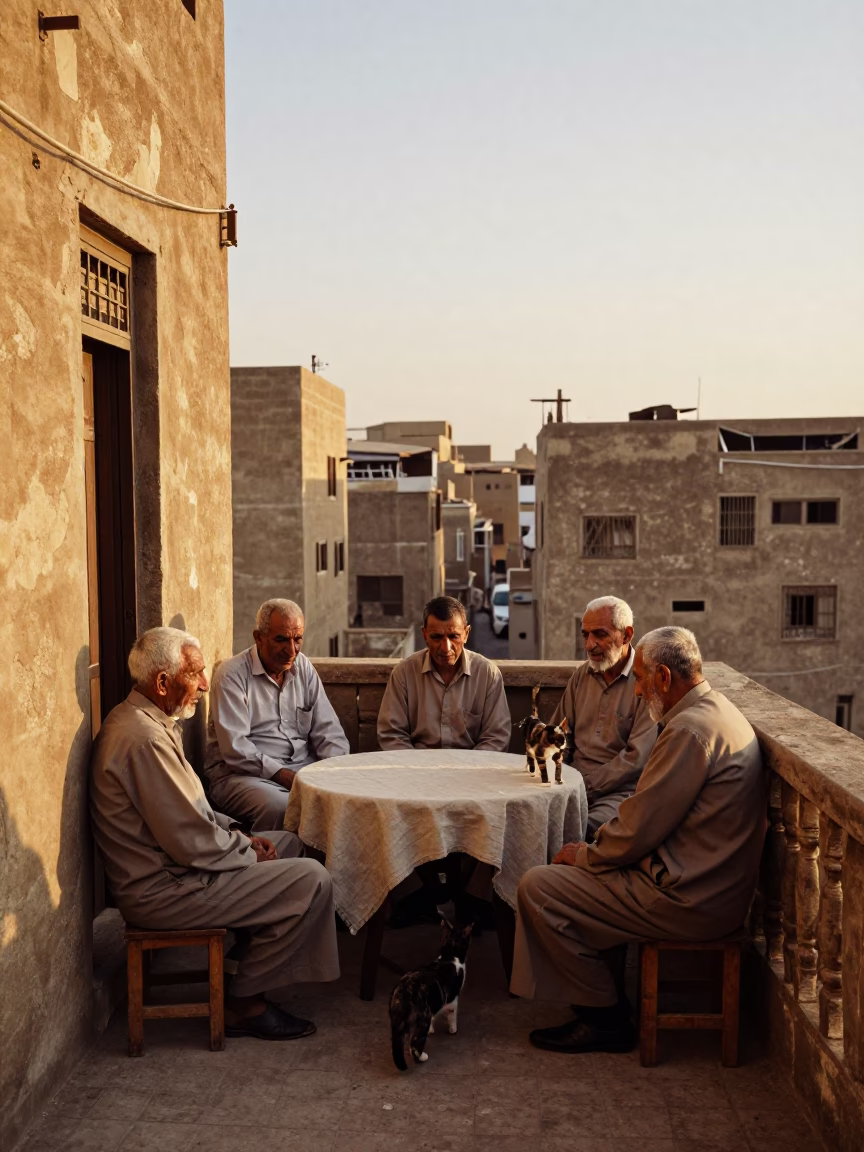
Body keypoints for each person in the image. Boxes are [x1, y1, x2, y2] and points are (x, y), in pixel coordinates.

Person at [511, 626, 766, 1055]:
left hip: (689, 897)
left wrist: (587, 857)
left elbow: (638, 829)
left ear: (665, 677)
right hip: (706, 884)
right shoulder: (712, 709)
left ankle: (604, 1017)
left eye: (644, 679)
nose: (638, 690)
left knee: (539, 887)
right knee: (577, 868)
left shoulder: (689, 730)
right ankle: (599, 999)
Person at [90, 627, 339, 1041]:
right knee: (312, 880)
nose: (206, 685)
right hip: (164, 890)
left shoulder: (146, 721)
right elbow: (189, 838)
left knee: (291, 843)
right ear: (164, 682)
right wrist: (245, 851)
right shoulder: (143, 739)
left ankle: (241, 967)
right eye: (197, 674)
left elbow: (194, 812)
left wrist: (239, 833)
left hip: (179, 869)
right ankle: (245, 1002)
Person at [203, 599, 349, 830]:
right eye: (281, 639)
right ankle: (277, 864)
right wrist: (285, 776)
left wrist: (334, 772)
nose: (291, 650)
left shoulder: (303, 667)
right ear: (259, 637)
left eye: (297, 639)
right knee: (280, 807)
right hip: (241, 777)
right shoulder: (231, 675)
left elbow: (329, 731)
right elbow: (237, 750)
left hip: (303, 771)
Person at [551, 596, 657, 836]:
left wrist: (582, 786)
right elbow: (559, 736)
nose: (589, 645)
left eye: (600, 634)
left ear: (627, 635)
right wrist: (553, 779)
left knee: (578, 830)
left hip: (619, 793)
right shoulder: (581, 676)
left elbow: (634, 760)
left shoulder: (645, 683)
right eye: (585, 635)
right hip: (570, 783)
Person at [377, 595, 511, 751]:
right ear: (425, 635)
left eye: (453, 636)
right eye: (437, 637)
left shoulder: (487, 674)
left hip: (471, 770)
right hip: (417, 768)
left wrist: (469, 771)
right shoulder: (404, 674)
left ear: (466, 634)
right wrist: (416, 770)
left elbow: (496, 738)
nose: (445, 648)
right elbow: (392, 735)